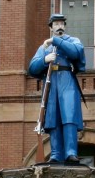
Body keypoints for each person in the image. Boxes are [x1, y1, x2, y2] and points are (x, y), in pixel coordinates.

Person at [28, 13, 86, 164]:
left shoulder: (73, 41)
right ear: (51, 27)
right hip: (51, 83)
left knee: (69, 117)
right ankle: (56, 154)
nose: (59, 26)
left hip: (67, 81)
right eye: (56, 24)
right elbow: (32, 68)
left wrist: (56, 41)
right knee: (53, 118)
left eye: (61, 24)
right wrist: (44, 60)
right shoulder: (44, 47)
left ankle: (71, 153)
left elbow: (76, 52)